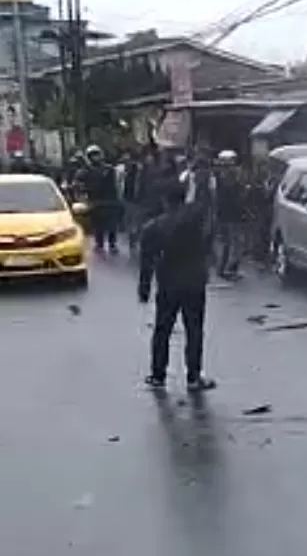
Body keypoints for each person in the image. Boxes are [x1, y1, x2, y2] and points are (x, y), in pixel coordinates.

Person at [138, 181, 215, 392]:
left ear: (164, 201)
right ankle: (193, 376)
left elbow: (147, 261)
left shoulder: (153, 227)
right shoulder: (195, 219)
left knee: (162, 330)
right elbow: (209, 233)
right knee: (194, 330)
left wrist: (144, 288)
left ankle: (158, 375)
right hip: (194, 282)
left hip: (168, 284)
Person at [78, 145, 120, 254]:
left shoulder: (109, 169)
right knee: (98, 225)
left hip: (109, 201)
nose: (95, 157)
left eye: (97, 155)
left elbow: (116, 185)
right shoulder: (85, 171)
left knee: (112, 225)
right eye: (92, 156)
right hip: (95, 201)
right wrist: (83, 191)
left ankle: (112, 244)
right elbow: (78, 184)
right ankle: (99, 244)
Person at [213, 149, 245, 280]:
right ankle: (227, 269)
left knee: (229, 243)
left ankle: (226, 269)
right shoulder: (227, 179)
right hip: (230, 215)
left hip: (228, 214)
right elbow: (232, 198)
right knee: (232, 244)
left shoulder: (222, 177)